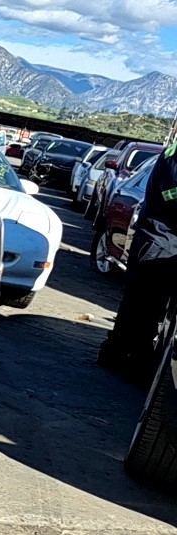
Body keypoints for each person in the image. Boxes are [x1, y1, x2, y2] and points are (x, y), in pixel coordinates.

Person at [98, 142, 177, 382]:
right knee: (143, 306)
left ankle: (120, 354)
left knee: (143, 306)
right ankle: (130, 361)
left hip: (164, 242)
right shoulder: (175, 155)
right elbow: (172, 194)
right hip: (159, 241)